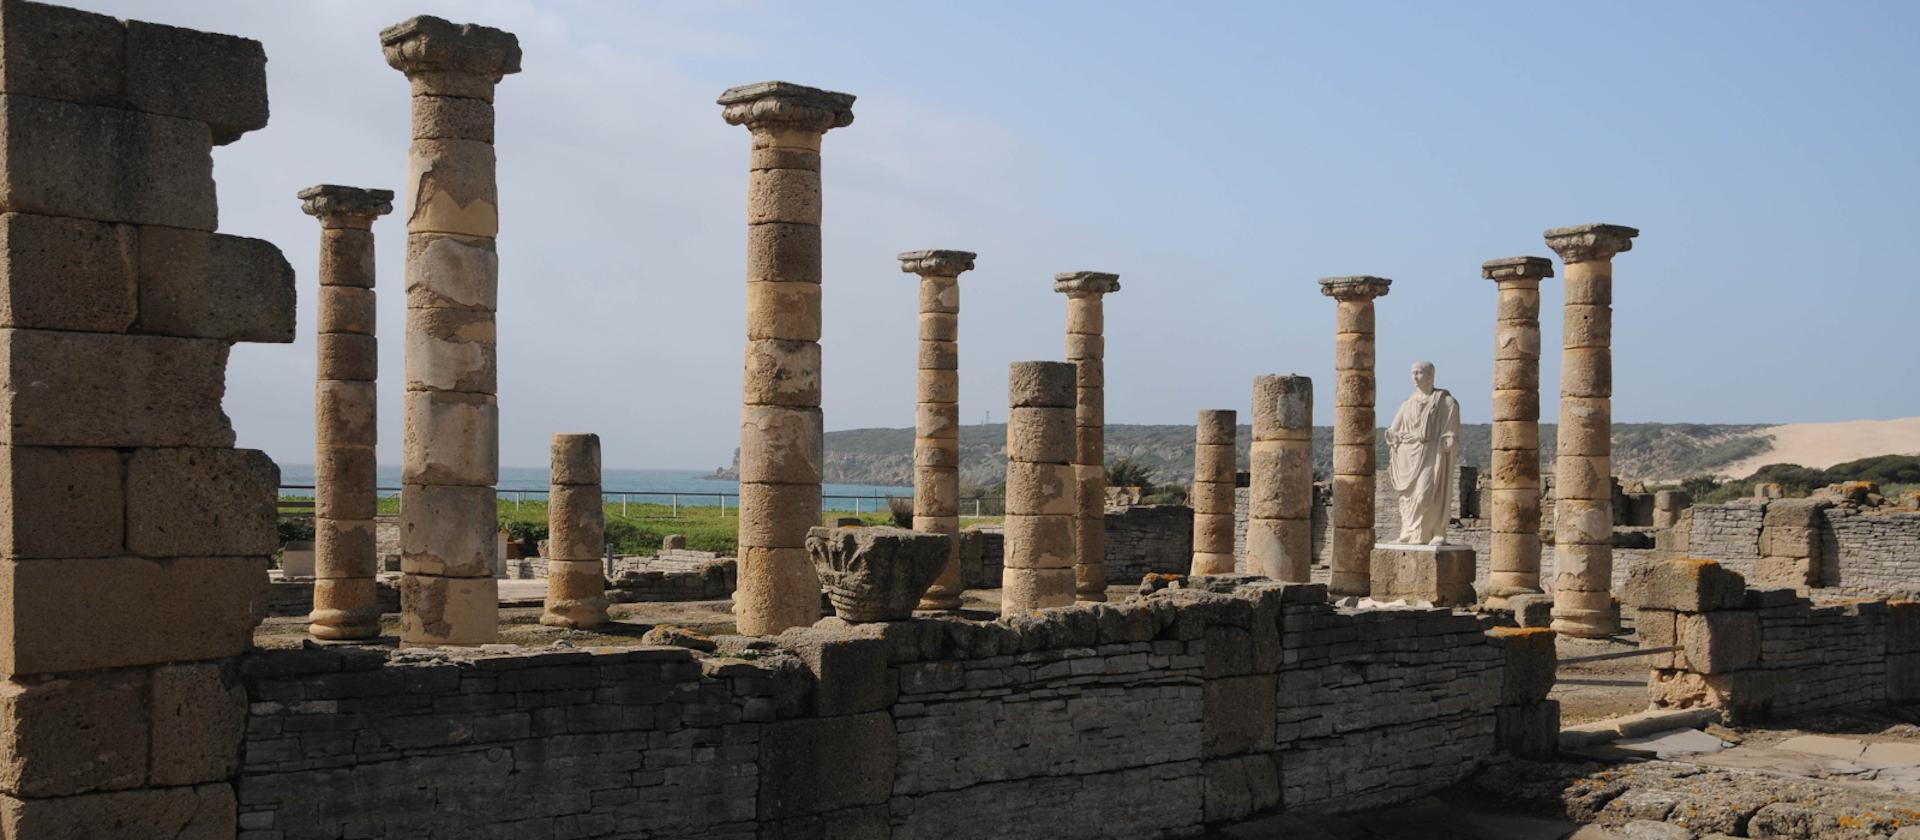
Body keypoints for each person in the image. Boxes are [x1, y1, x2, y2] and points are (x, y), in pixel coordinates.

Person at [1385, 361, 1461, 545]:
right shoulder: (1407, 404)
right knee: (1408, 499)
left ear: (1430, 375)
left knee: (1426, 495)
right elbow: (1392, 430)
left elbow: (1452, 429)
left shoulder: (1445, 401)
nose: (1415, 377)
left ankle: (1436, 531)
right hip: (1409, 455)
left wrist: (1449, 438)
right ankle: (1411, 532)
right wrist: (1394, 437)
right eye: (1413, 373)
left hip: (1432, 454)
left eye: (1419, 373)